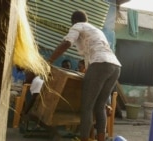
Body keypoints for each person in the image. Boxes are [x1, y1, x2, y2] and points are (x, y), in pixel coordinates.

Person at [48, 10, 121, 141]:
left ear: (74, 22)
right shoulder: (97, 30)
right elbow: (91, 56)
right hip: (115, 66)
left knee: (87, 106)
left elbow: (67, 43)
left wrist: (49, 61)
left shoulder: (77, 26)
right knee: (100, 106)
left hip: (100, 63)